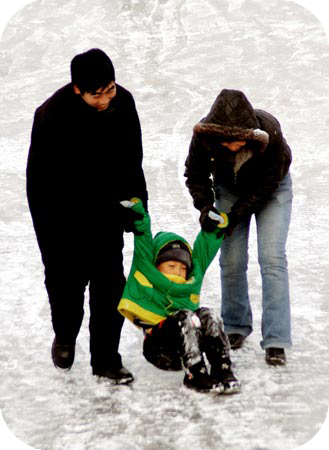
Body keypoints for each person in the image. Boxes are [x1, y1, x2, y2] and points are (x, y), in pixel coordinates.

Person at [26, 49, 148, 383]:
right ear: (78, 89)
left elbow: (131, 160)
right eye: (98, 94)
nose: (106, 98)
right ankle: (65, 335)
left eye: (110, 88)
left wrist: (138, 208)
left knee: (110, 289)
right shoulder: (51, 116)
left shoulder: (123, 103)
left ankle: (106, 359)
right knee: (67, 288)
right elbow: (38, 184)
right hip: (63, 219)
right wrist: (49, 237)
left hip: (107, 215)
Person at [184, 89, 292, 366]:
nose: (233, 145)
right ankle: (235, 326)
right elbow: (195, 174)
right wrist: (206, 207)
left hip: (272, 189)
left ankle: (276, 339)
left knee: (272, 258)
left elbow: (267, 184)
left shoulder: (270, 132)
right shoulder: (203, 137)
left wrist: (237, 214)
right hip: (229, 189)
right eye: (226, 140)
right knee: (231, 260)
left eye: (239, 139)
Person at [117, 198, 240, 394]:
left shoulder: (190, 281)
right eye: (171, 266)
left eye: (183, 268)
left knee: (208, 314)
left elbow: (204, 249)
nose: (177, 271)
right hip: (159, 349)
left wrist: (216, 226)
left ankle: (222, 369)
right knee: (185, 316)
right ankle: (194, 375)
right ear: (157, 265)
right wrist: (139, 214)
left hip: (190, 345)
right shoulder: (147, 272)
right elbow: (143, 237)